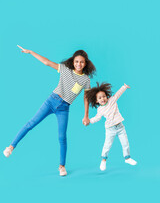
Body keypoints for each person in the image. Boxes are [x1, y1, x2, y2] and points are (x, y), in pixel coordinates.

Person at [3, 46, 96, 176]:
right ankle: (11, 147)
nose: (78, 64)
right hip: (51, 101)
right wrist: (31, 52)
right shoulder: (65, 69)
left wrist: (86, 116)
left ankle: (62, 166)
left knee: (62, 137)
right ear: (73, 61)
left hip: (64, 108)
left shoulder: (86, 80)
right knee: (31, 123)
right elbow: (47, 62)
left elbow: (86, 98)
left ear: (85, 63)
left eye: (81, 62)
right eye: (76, 61)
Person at [85, 82, 137, 171]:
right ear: (97, 101)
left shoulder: (112, 100)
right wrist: (89, 121)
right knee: (107, 145)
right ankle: (103, 160)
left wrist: (124, 87)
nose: (103, 99)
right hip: (110, 129)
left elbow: (118, 94)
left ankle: (127, 158)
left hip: (120, 127)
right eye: (100, 98)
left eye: (104, 96)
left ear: (107, 96)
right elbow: (97, 118)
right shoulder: (100, 109)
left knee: (125, 143)